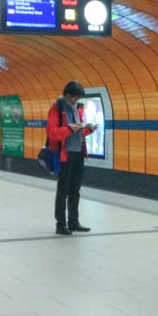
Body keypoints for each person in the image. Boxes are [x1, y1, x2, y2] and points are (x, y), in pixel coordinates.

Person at [47, 80, 95, 235]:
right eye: (75, 97)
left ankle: (73, 222)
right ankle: (60, 224)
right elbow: (52, 133)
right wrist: (68, 129)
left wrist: (89, 130)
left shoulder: (78, 109)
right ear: (68, 95)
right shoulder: (57, 109)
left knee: (75, 189)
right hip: (65, 154)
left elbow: (79, 133)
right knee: (63, 190)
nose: (77, 100)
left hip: (79, 152)